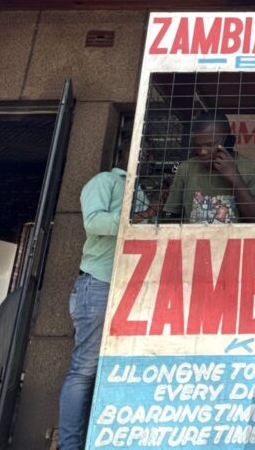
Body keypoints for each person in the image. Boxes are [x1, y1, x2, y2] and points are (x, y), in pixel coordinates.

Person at [56, 151, 155, 450]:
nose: (147, 159)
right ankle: (70, 445)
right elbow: (95, 223)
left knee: (116, 367)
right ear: (127, 152)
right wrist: (140, 217)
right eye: (144, 152)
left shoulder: (140, 191)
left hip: (129, 286)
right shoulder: (105, 182)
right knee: (84, 369)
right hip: (99, 283)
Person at [163, 112, 255, 223]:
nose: (203, 151)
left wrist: (236, 179)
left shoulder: (252, 169)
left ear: (228, 141)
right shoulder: (186, 169)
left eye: (210, 145)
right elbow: (171, 216)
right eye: (198, 146)